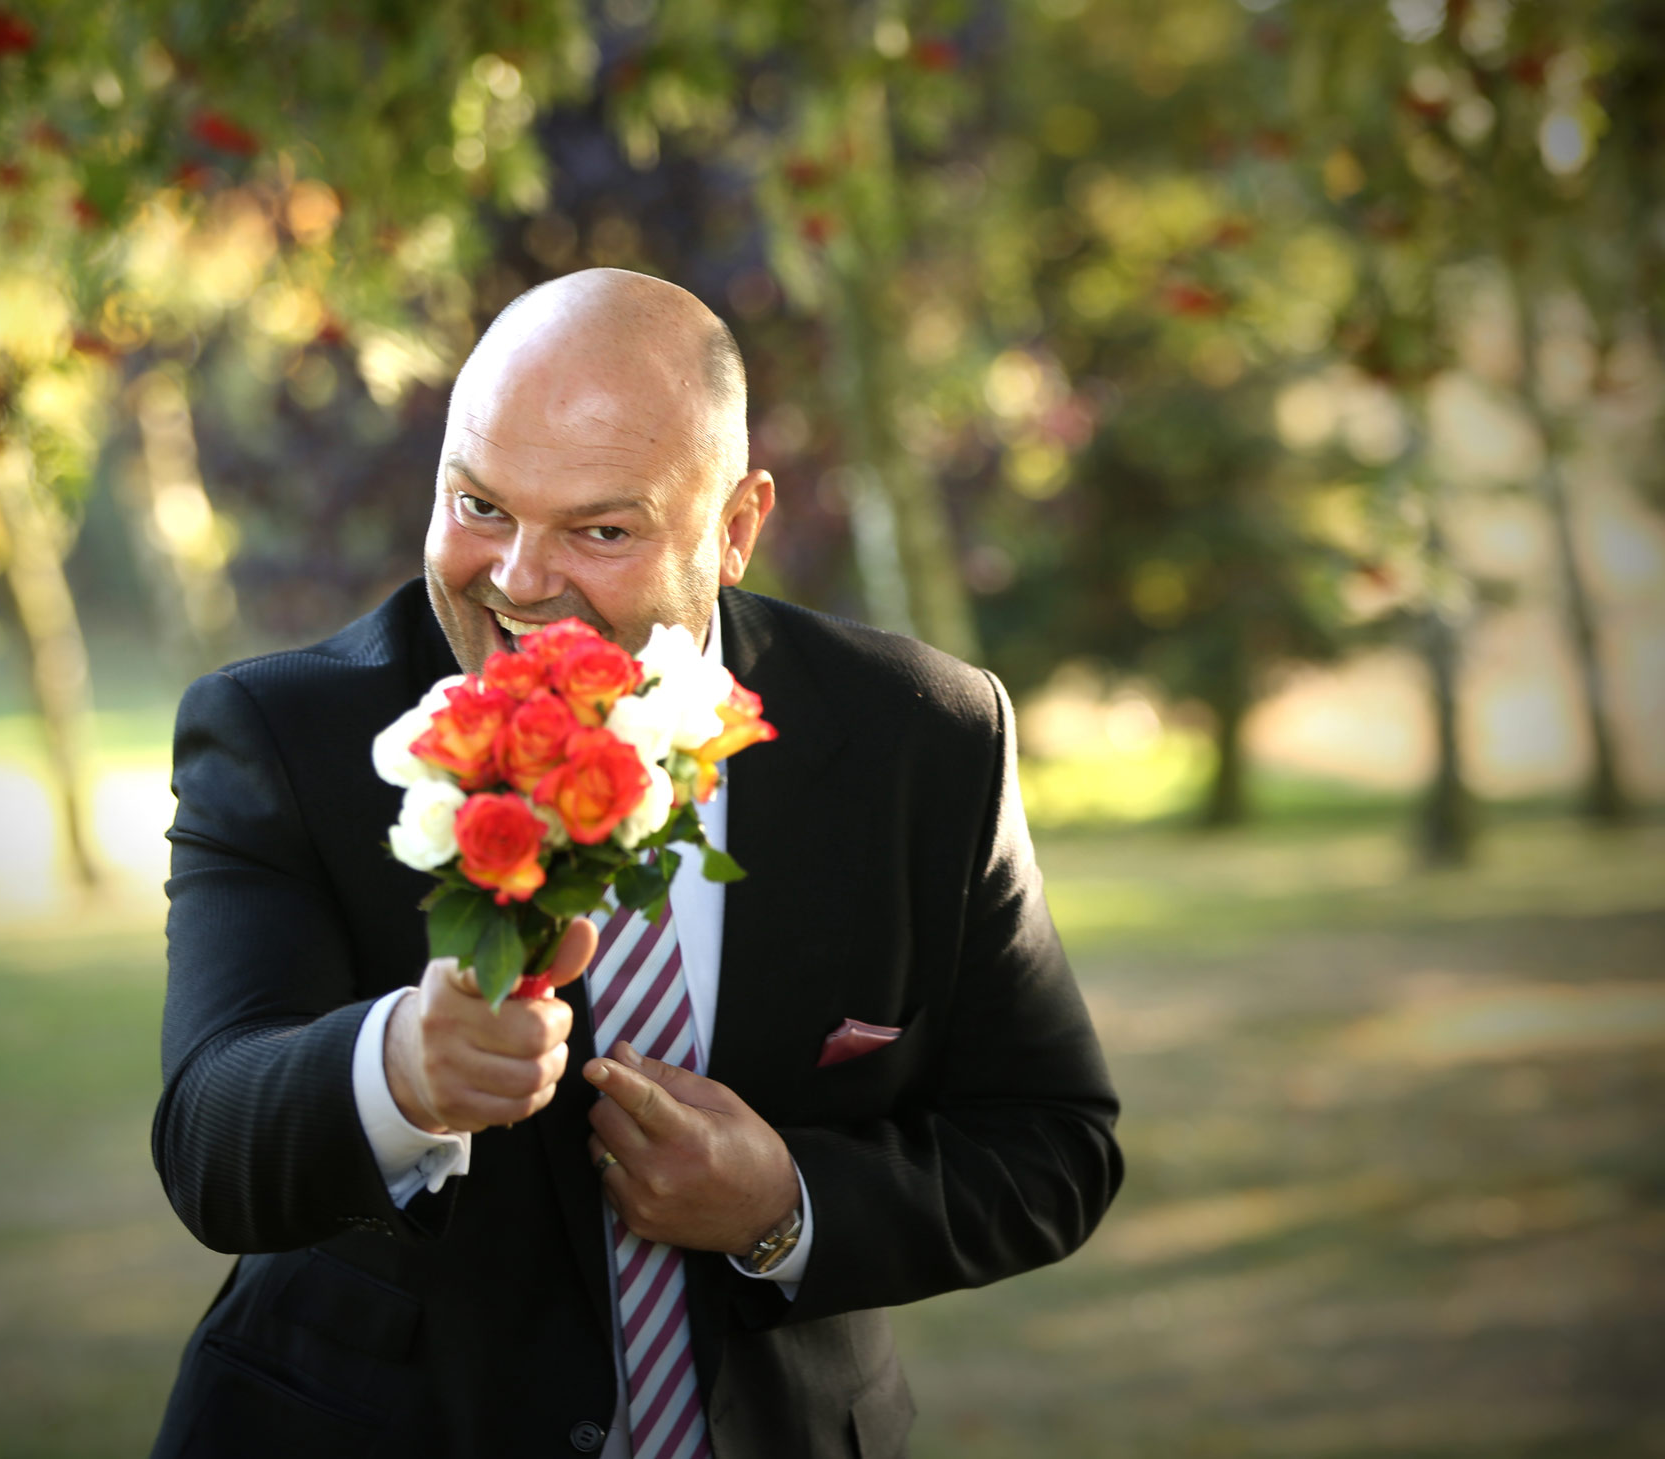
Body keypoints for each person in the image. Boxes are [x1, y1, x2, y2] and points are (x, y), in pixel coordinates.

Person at [148, 268, 1121, 1459]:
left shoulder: (924, 737)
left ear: (736, 528)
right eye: (480, 505)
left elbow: (1053, 1144)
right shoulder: (278, 737)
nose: (515, 580)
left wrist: (782, 1207)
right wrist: (399, 1067)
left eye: (599, 529)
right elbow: (206, 1139)